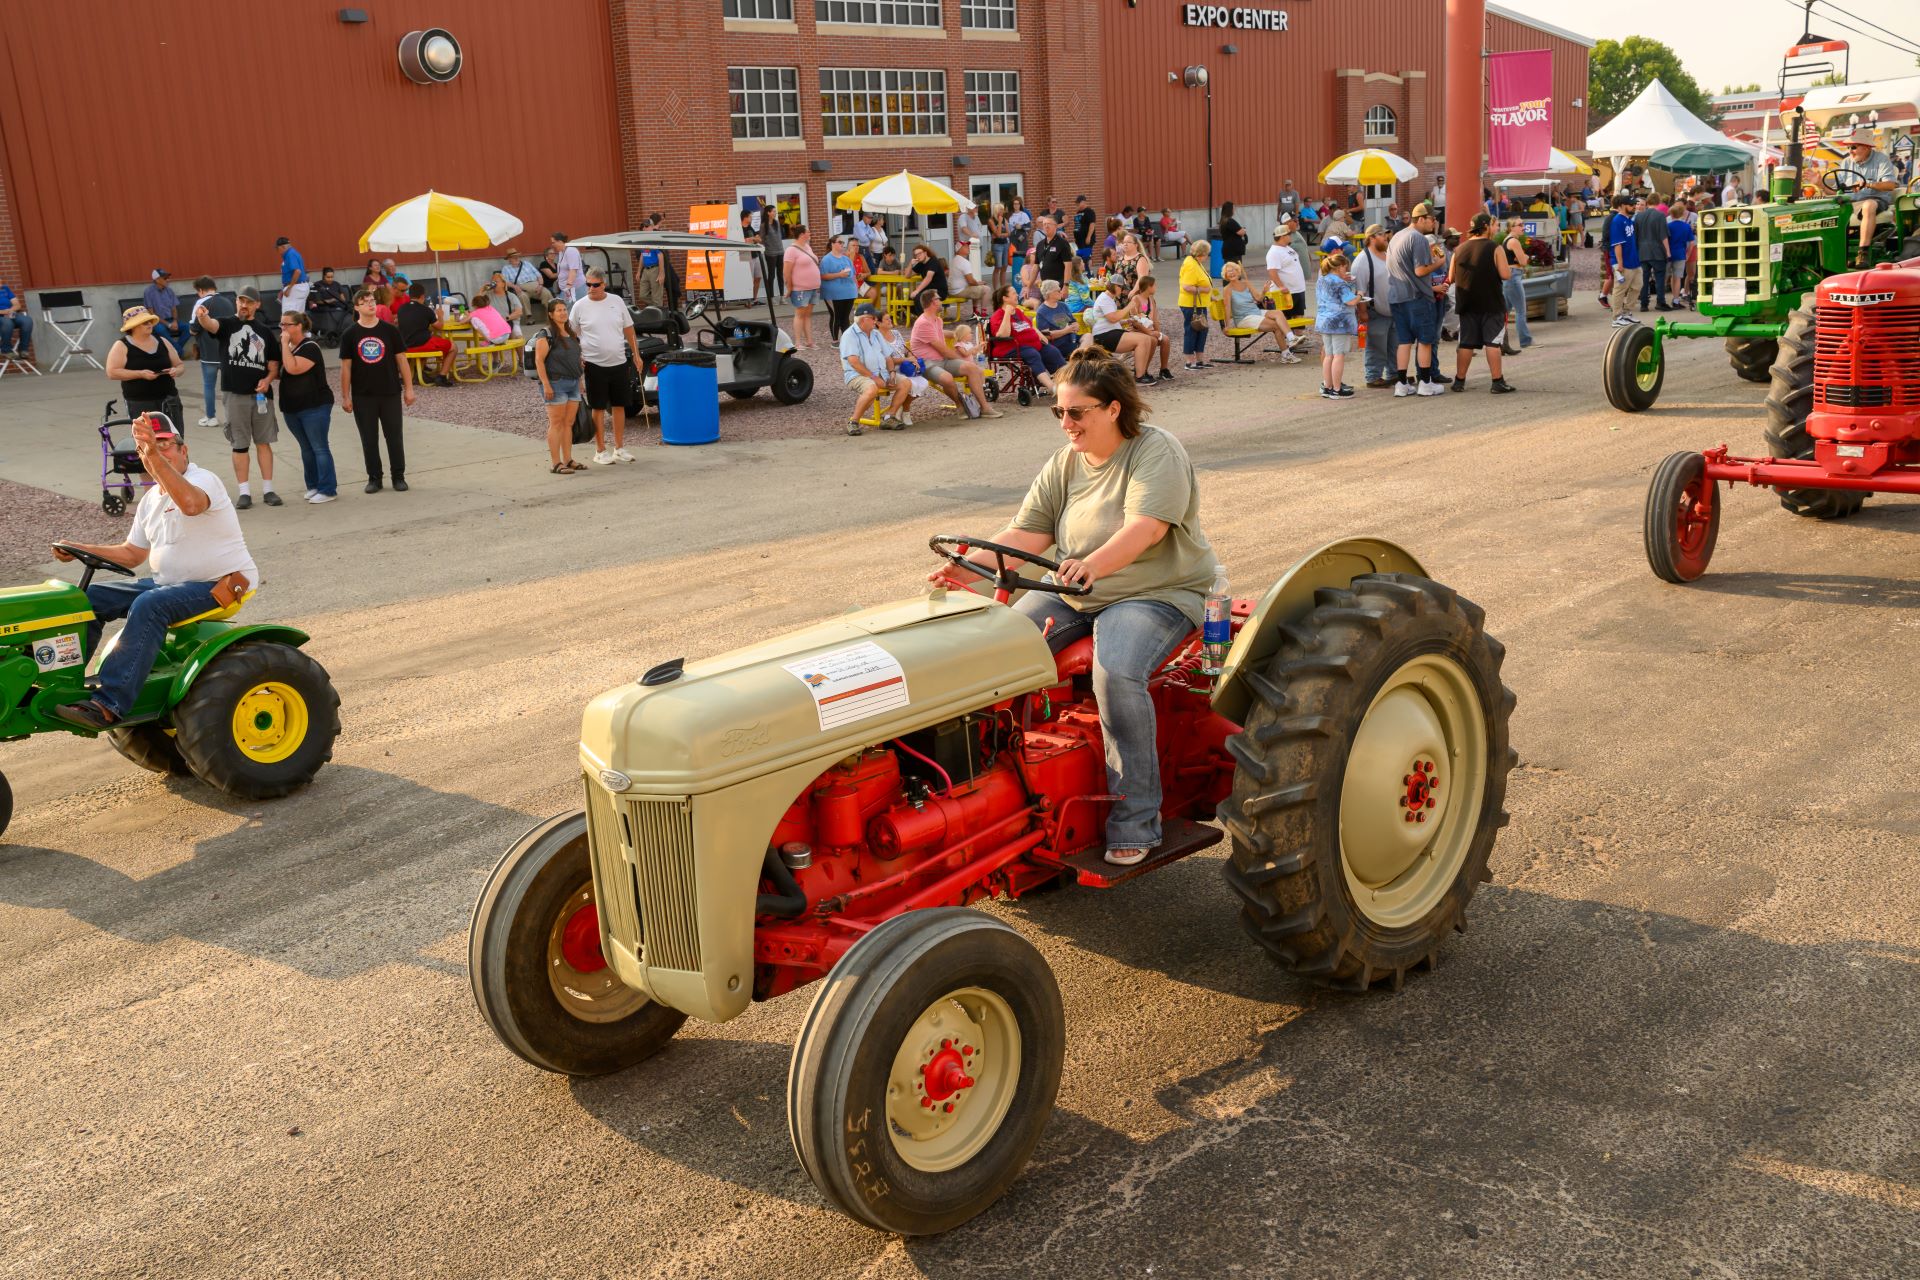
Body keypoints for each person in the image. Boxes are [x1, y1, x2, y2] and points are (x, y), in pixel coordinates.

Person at [931, 348, 1219, 865]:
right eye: (1058, 412)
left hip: (1153, 594)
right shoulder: (1065, 462)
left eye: (1076, 412)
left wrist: (1093, 565)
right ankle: (998, 803)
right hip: (1072, 589)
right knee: (993, 653)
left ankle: (1138, 819)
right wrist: (967, 569)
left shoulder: (1156, 451)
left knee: (1117, 675)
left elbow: (1145, 528)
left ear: (1113, 408)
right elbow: (1027, 531)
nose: (1065, 423)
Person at [48, 412, 260, 731]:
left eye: (165, 446)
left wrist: (152, 457)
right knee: (86, 598)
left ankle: (109, 703)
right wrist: (79, 548)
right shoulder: (150, 500)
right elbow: (132, 554)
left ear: (183, 450)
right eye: (152, 446)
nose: (159, 452)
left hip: (219, 584)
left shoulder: (204, 481)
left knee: (150, 605)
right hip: (169, 584)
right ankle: (62, 682)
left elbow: (190, 505)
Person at [196, 287, 281, 507]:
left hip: (261, 396)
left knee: (264, 442)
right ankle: (244, 492)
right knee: (239, 445)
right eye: (241, 301)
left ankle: (269, 490)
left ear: (257, 305)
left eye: (249, 302)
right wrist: (203, 317)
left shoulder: (264, 331)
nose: (244, 305)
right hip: (234, 394)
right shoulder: (226, 324)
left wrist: (268, 380)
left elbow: (273, 364)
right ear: (236, 302)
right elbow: (211, 326)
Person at [338, 285, 415, 493]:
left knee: (394, 436)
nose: (371, 305)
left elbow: (402, 360)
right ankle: (374, 477)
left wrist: (409, 388)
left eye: (372, 301)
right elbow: (346, 367)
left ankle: (398, 476)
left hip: (390, 391)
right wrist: (345, 396)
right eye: (365, 302)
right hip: (363, 395)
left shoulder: (390, 330)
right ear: (356, 307)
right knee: (368, 439)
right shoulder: (350, 334)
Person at [571, 271, 643, 465]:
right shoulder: (579, 306)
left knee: (620, 405)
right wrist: (578, 358)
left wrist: (636, 354)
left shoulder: (617, 301)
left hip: (619, 361)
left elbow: (628, 328)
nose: (590, 289)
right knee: (598, 407)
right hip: (594, 364)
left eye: (595, 285)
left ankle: (619, 447)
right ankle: (600, 449)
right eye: (588, 284)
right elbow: (572, 335)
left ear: (603, 284)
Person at [1446, 214, 1516, 395]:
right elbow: (1506, 274)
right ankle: (1497, 381)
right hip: (1491, 302)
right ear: (1485, 226)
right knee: (1493, 343)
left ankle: (1459, 381)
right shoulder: (1495, 248)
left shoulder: (1459, 249)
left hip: (1467, 302)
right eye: (1494, 225)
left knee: (1466, 343)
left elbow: (1451, 277)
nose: (1496, 228)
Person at [276, 312, 338, 502]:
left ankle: (328, 490)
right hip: (292, 407)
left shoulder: (310, 347)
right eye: (281, 324)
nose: (282, 328)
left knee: (319, 447)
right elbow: (280, 372)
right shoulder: (289, 348)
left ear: (299, 326)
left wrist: (284, 346)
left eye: (286, 324)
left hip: (314, 406)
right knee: (306, 448)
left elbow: (293, 368)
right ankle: (313, 485)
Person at [910, 289, 1002, 418]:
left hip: (942, 360)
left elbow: (940, 334)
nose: (941, 301)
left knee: (972, 368)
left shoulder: (936, 320)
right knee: (947, 378)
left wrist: (957, 335)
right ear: (933, 302)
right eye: (939, 299)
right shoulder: (923, 323)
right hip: (927, 362)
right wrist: (963, 358)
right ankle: (961, 406)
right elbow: (942, 349)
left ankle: (985, 407)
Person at [1386, 203, 1445, 396]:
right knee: (1425, 341)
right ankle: (1426, 383)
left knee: (1404, 341)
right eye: (1432, 218)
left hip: (1396, 296)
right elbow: (1420, 271)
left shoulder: (1396, 236)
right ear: (1421, 219)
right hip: (1417, 296)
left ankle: (1401, 384)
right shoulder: (1418, 238)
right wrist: (1438, 263)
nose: (1434, 222)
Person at [108, 304, 187, 428]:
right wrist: (140, 374)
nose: (149, 324)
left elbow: (180, 365)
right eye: (145, 322)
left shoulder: (163, 341)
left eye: (150, 321)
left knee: (175, 440)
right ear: (133, 326)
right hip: (140, 403)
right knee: (148, 442)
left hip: (169, 400)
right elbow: (112, 372)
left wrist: (176, 371)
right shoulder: (121, 345)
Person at [839, 302, 911, 435]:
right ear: (864, 319)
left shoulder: (876, 334)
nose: (876, 321)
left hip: (881, 374)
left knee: (905, 383)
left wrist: (892, 373)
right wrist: (874, 377)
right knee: (872, 388)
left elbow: (888, 357)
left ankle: (889, 417)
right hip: (857, 375)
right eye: (873, 318)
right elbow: (854, 362)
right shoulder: (849, 335)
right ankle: (853, 422)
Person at [534, 297, 586, 474]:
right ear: (551, 314)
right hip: (555, 383)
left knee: (568, 423)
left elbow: (576, 360)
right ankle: (556, 463)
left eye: (564, 309)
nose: (563, 313)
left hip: (572, 383)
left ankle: (568, 459)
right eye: (559, 310)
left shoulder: (570, 333)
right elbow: (539, 361)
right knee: (556, 423)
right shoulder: (546, 334)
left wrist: (579, 381)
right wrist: (546, 385)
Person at [1839, 127, 1900, 267]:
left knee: (1869, 205)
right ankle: (1839, 253)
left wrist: (1868, 184)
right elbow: (1837, 190)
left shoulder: (1881, 160)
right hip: (1852, 201)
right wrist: (1819, 183)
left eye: (1853, 147)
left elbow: (1890, 185)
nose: (1850, 151)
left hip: (1876, 199)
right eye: (1849, 147)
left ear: (1866, 147)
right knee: (1831, 207)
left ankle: (1863, 253)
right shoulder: (1846, 162)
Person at [987, 284, 1063, 395]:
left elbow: (1030, 325)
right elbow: (1003, 334)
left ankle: (1067, 383)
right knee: (1032, 354)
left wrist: (1039, 334)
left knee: (1052, 352)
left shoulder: (1018, 312)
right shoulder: (998, 315)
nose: (1017, 295)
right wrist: (1007, 313)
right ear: (1005, 298)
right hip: (1010, 348)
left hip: (1031, 346)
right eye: (1013, 293)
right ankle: (1051, 387)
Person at [1082, 278, 1155, 380]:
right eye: (1122, 288)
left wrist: (1126, 321)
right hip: (1103, 335)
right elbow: (1113, 318)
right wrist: (1129, 307)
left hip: (1109, 332)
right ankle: (1139, 376)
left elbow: (1110, 320)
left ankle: (1142, 371)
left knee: (1149, 339)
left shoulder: (1108, 298)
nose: (1123, 291)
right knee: (1144, 340)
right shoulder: (1104, 299)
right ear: (1116, 286)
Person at [1351, 224, 1394, 388]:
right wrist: (1363, 313)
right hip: (1375, 311)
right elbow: (1359, 290)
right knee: (1376, 345)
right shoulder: (1362, 261)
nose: (1386, 238)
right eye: (1382, 235)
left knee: (1394, 344)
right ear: (1371, 238)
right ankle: (1373, 376)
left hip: (1392, 310)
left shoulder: (1387, 254)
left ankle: (1393, 373)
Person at [1222, 262, 1292, 362]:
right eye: (1228, 272)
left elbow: (1259, 299)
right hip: (1243, 318)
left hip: (1256, 312)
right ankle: (1286, 354)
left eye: (1233, 270)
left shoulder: (1246, 283)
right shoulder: (1227, 289)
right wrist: (1227, 325)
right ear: (1225, 275)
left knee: (1278, 313)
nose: (1231, 273)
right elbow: (1227, 307)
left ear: (1238, 272)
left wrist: (1264, 291)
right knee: (1276, 325)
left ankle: (1291, 339)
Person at [1314, 251, 1361, 399]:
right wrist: (1359, 294)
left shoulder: (1322, 279)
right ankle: (1337, 389)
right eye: (1345, 268)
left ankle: (1327, 387)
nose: (1346, 270)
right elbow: (1350, 301)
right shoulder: (1339, 283)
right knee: (1339, 355)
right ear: (1340, 267)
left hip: (1324, 320)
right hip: (1339, 322)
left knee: (1329, 355)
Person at [396, 282, 455, 386]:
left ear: (410, 295)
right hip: (421, 344)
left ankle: (418, 371)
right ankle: (442, 376)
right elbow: (439, 326)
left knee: (430, 337)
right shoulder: (426, 310)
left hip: (405, 345)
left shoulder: (401, 309)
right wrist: (440, 315)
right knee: (453, 347)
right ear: (422, 296)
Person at [1263, 222, 1308, 356]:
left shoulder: (1287, 248)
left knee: (1298, 314)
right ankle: (1286, 344)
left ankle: (1297, 340)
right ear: (1283, 236)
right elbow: (1272, 271)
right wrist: (1281, 286)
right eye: (1289, 234)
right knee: (1285, 317)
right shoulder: (1274, 252)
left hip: (1297, 289)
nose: (1291, 236)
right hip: (1286, 292)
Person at [1177, 239, 1216, 371]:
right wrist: (1203, 290)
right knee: (1192, 330)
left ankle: (1199, 360)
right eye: (1207, 253)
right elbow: (1187, 286)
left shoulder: (1196, 262)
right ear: (1202, 253)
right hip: (1191, 305)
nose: (1208, 256)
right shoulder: (1191, 265)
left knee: (1202, 330)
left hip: (1199, 303)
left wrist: (1209, 295)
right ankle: (1189, 362)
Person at [1500, 217, 1538, 351]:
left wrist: (1522, 257)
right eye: (1520, 225)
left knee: (1504, 311)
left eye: (1523, 224)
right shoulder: (1514, 241)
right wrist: (1525, 257)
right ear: (1512, 227)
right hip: (1514, 276)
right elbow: (1523, 262)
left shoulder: (1506, 240)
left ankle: (1498, 340)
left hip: (1508, 276)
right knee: (1521, 310)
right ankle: (1525, 340)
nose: (1523, 227)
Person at [1129, 275, 1174, 381]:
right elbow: (1135, 321)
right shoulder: (1136, 299)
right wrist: (1150, 333)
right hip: (1139, 330)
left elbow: (1155, 319)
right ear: (1149, 287)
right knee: (1153, 340)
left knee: (1165, 340)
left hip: (1150, 330)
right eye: (1155, 285)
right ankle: (1142, 370)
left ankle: (1164, 370)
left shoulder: (1151, 299)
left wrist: (1158, 332)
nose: (1156, 288)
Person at [784, 224, 822, 348]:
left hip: (812, 287)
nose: (810, 234)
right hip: (800, 288)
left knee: (808, 315)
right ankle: (798, 342)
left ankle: (809, 341)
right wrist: (789, 287)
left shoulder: (807, 247)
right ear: (801, 235)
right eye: (808, 232)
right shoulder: (791, 250)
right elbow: (786, 271)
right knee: (800, 314)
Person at [1607, 194, 1642, 328]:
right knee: (1620, 289)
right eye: (1631, 205)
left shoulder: (1629, 220)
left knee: (1638, 286)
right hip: (1624, 262)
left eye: (1634, 204)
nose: (1634, 207)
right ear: (1622, 206)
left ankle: (1627, 312)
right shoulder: (1617, 221)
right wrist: (1620, 263)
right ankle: (1616, 317)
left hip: (1634, 260)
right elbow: (1617, 244)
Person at [1632, 200, 1671, 314]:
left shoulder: (1638, 216)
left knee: (1644, 279)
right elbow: (1663, 235)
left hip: (1642, 251)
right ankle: (1660, 302)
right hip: (1657, 251)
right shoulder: (1660, 216)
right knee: (1659, 278)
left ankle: (1644, 304)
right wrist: (1668, 252)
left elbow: (1635, 236)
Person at [819, 235, 858, 340]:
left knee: (845, 318)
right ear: (832, 244)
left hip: (849, 292)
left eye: (843, 243)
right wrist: (839, 275)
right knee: (836, 316)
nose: (842, 245)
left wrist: (856, 289)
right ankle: (835, 340)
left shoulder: (846, 259)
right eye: (839, 242)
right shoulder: (826, 259)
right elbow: (823, 276)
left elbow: (853, 275)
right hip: (833, 294)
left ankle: (846, 340)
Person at [142, 269, 190, 354]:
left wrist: (174, 321)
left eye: (168, 277)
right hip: (157, 322)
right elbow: (151, 314)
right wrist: (167, 324)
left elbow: (174, 309)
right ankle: (179, 352)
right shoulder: (148, 292)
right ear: (157, 280)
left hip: (171, 320)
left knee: (189, 328)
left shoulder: (169, 291)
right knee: (160, 330)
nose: (168, 280)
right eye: (165, 278)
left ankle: (174, 352)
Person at [1034, 280, 1079, 363]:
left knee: (1088, 336)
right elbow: (1046, 336)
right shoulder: (1042, 311)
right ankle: (1078, 355)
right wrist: (1066, 331)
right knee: (1085, 346)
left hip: (1072, 338)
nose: (1061, 292)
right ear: (1050, 293)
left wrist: (1075, 325)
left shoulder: (1063, 305)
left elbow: (1073, 321)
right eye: (1058, 291)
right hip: (1058, 344)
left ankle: (1078, 354)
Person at [307, 268, 351, 342]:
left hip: (338, 307)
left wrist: (342, 300)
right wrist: (331, 300)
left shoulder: (336, 284)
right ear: (323, 276)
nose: (330, 279)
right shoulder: (317, 285)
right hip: (323, 308)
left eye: (332, 277)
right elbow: (316, 301)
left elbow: (342, 298)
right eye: (328, 277)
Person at [1667, 206, 1696, 308]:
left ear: (1671, 214)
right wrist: (1688, 254)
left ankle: (1663, 300)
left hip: (1668, 254)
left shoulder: (1668, 226)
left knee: (1668, 276)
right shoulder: (1686, 226)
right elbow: (1692, 243)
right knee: (1677, 277)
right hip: (1680, 253)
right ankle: (1675, 300)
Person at [503, 248, 549, 313]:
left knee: (547, 294)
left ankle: (551, 316)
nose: (516, 258)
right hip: (521, 289)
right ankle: (528, 318)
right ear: (509, 259)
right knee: (522, 297)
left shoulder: (527, 264)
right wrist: (515, 287)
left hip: (537, 286)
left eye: (517, 256)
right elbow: (505, 281)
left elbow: (539, 275)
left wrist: (541, 285)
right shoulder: (506, 268)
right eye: (514, 257)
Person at [905, 244, 948, 312]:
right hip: (928, 290)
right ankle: (922, 316)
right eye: (916, 255)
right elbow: (907, 275)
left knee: (919, 297)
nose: (918, 256)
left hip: (939, 291)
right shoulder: (921, 264)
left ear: (925, 253)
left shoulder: (933, 261)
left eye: (920, 253)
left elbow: (928, 278)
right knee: (909, 300)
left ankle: (925, 318)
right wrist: (910, 264)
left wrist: (917, 291)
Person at [0, 279, 34, 363]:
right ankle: (6, 350)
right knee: (7, 323)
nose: (1, 283)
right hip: (1, 316)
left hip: (10, 313)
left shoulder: (5, 289)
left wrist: (10, 310)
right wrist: (3, 312)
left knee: (27, 320)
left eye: (0, 281)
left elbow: (17, 305)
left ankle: (23, 350)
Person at [951, 246, 989, 315]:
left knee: (976, 287)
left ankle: (975, 312)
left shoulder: (953, 260)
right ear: (959, 249)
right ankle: (983, 314)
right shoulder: (964, 262)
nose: (968, 248)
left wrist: (977, 283)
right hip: (959, 291)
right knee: (987, 289)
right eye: (965, 247)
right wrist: (978, 283)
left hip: (952, 291)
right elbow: (971, 281)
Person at [276, 236, 309, 315]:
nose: (277, 250)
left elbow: (297, 271)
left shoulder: (290, 254)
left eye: (277, 248)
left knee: (288, 315)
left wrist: (289, 288)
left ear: (283, 247)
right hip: (299, 286)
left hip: (295, 288)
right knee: (298, 316)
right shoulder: (294, 253)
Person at [552, 231, 586, 300]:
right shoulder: (561, 252)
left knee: (568, 309)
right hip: (567, 289)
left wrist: (568, 286)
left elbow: (573, 270)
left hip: (574, 289)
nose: (552, 245)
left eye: (553, 242)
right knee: (566, 309)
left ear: (560, 241)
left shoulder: (571, 250)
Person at [988, 202, 1011, 296]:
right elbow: (997, 234)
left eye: (1003, 209)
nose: (1003, 211)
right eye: (1001, 209)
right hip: (997, 245)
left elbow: (1008, 233)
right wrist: (1000, 223)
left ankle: (1003, 288)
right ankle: (996, 290)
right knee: (998, 267)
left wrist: (1000, 235)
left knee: (1004, 266)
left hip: (1005, 244)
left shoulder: (1004, 219)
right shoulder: (991, 220)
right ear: (996, 210)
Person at [1073, 195, 1097, 266]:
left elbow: (1092, 224)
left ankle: (1089, 272)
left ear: (1083, 202)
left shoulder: (1089, 212)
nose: (1077, 204)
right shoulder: (1078, 212)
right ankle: (1083, 271)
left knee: (1086, 257)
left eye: (1078, 203)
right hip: (1079, 240)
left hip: (1086, 239)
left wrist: (1088, 237)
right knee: (1081, 257)